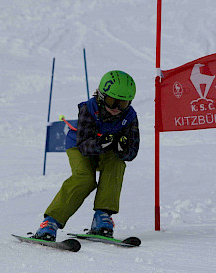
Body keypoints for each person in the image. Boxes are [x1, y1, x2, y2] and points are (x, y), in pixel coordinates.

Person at [34, 70, 140, 241]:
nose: (116, 109)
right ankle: (50, 222)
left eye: (123, 103)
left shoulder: (130, 116)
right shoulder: (89, 108)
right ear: (101, 96)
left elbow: (132, 152)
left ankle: (101, 218)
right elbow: (84, 145)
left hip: (107, 151)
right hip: (78, 146)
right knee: (85, 178)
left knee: (117, 164)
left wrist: (122, 148)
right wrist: (101, 143)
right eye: (112, 101)